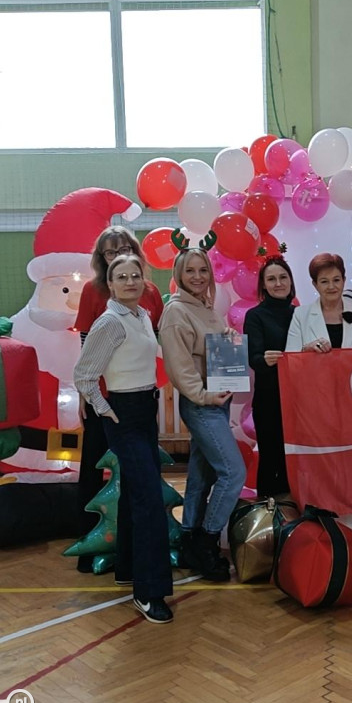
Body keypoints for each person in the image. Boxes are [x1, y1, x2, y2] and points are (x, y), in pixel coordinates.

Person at [74, 254, 173, 624]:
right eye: (122, 277)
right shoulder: (109, 322)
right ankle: (149, 592)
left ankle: (129, 569)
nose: (130, 281)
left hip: (144, 410)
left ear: (143, 281)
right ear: (111, 285)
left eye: (135, 275)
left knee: (135, 495)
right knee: (149, 500)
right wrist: (105, 409)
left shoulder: (142, 315)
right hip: (124, 414)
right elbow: (84, 374)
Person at [159, 246, 246, 582]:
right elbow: (180, 368)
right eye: (190, 270)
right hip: (202, 404)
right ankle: (207, 543)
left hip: (216, 402)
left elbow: (211, 351)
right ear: (178, 275)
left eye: (203, 270)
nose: (197, 276)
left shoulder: (205, 308)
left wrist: (228, 339)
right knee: (233, 473)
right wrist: (204, 396)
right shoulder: (176, 312)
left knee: (201, 477)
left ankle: (188, 540)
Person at [74, 227, 164, 546]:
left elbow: (153, 337)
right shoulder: (93, 290)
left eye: (125, 249)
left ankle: (128, 548)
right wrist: (88, 395)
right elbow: (87, 343)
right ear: (103, 260)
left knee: (138, 475)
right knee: (92, 462)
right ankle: (87, 536)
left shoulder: (149, 292)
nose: (119, 256)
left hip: (138, 394)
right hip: (105, 394)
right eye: (111, 252)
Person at [243, 256, 297, 497]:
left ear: (291, 281)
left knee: (294, 459)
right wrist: (264, 359)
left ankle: (294, 512)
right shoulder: (255, 316)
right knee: (270, 458)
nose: (278, 283)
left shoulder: (301, 314)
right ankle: (267, 512)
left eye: (283, 277)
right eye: (272, 279)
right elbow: (253, 358)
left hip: (298, 401)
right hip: (269, 400)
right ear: (263, 285)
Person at [286, 253, 352, 352]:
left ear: (344, 281)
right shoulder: (301, 315)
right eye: (324, 282)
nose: (331, 286)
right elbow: (291, 356)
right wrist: (306, 350)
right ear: (315, 284)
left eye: (336, 280)